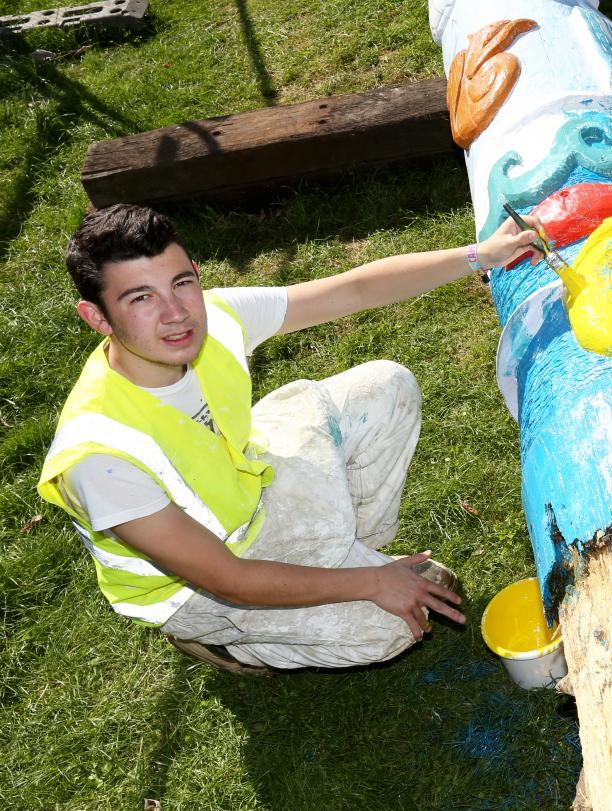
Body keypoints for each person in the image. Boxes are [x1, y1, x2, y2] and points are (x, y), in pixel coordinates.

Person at [37, 203, 539, 673]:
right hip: (202, 580)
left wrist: (481, 256)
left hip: (251, 480)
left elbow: (353, 290)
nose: (176, 313)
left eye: (182, 283)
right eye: (141, 298)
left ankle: (342, 555)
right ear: (97, 317)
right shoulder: (98, 457)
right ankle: (221, 638)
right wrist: (372, 583)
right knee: (390, 628)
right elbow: (226, 578)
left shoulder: (216, 319)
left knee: (385, 388)